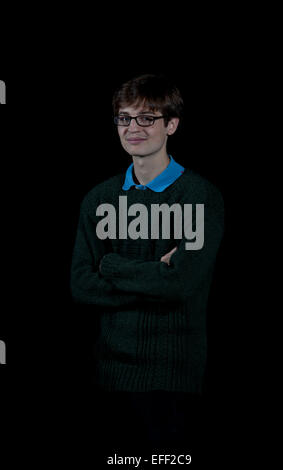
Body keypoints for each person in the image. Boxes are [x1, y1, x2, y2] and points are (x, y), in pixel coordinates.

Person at [70, 74, 224, 452]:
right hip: (109, 376)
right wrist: (157, 274)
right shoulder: (98, 199)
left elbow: (181, 285)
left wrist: (112, 266)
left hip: (174, 380)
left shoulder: (200, 197)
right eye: (125, 118)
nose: (132, 128)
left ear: (171, 125)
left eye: (146, 118)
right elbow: (80, 286)